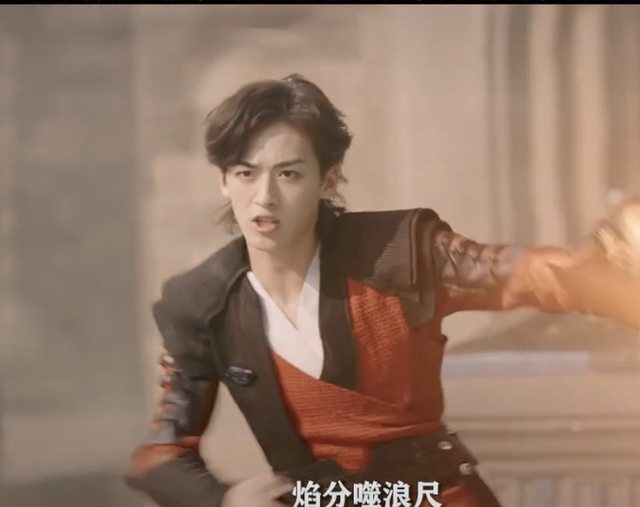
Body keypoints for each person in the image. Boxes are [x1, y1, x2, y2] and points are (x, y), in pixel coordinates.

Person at [125, 74, 640, 507]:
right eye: (245, 173)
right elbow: (159, 455)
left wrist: (612, 259)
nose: (264, 198)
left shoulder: (400, 253)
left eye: (289, 174)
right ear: (224, 180)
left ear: (328, 180)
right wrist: (222, 500)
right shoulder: (203, 303)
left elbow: (536, 275)